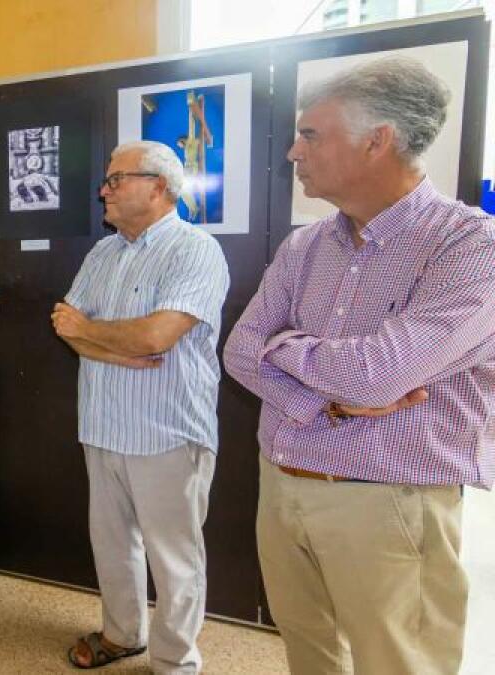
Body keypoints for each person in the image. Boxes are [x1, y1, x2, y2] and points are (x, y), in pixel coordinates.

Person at [223, 56, 495, 675]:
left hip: (390, 501)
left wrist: (284, 348)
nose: (294, 151)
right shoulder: (305, 245)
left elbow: (380, 374)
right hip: (283, 484)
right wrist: (327, 401)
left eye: (311, 134)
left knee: (398, 663)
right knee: (309, 656)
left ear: (379, 140)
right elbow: (239, 351)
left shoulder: (470, 245)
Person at [51, 140, 229, 673]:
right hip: (103, 425)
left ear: (158, 187)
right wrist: (114, 346)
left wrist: (99, 334)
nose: (104, 189)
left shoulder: (195, 250)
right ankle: (123, 634)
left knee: (175, 559)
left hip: (168, 432)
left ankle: (175, 661)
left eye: (116, 179)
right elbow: (67, 327)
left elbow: (158, 334)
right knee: (112, 544)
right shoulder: (102, 252)